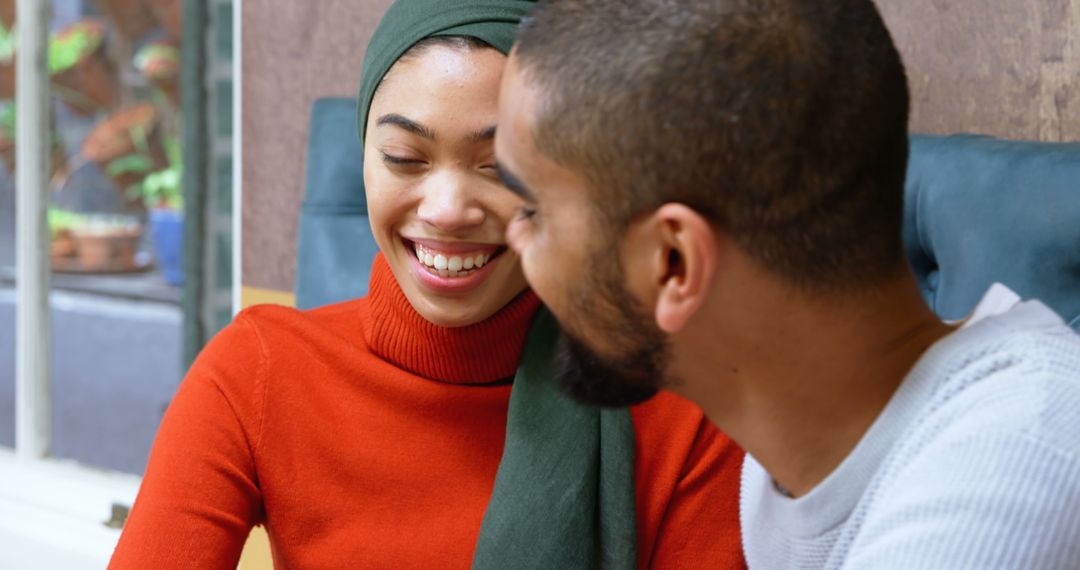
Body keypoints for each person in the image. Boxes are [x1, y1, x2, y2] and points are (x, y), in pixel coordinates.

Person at [109, 1, 748, 568]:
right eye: (404, 159)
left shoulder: (679, 403)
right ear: (363, 155)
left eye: (500, 167)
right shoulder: (255, 371)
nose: (446, 210)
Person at [494, 0, 1080, 568]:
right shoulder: (791, 457)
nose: (513, 239)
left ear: (673, 263)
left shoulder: (1006, 478)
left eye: (532, 211)